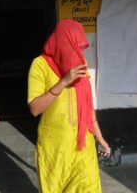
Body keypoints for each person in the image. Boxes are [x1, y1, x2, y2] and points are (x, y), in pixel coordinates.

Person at [28, 19, 110, 192]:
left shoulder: (80, 66)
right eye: (75, 46)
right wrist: (63, 81)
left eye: (81, 48)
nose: (79, 52)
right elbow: (35, 108)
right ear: (62, 42)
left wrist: (100, 138)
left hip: (83, 146)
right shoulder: (40, 65)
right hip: (55, 150)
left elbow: (87, 108)